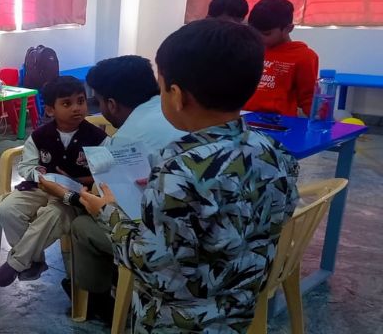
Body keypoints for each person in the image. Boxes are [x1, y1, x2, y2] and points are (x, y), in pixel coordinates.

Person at [77, 19, 300, 332]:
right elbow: (273, 213)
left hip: (177, 322)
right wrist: (165, 193)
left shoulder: (177, 170)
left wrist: (108, 214)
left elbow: (156, 270)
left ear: (177, 95)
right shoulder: (273, 151)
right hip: (238, 310)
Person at [40, 55, 185, 323]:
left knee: (83, 225)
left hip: (166, 246)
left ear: (111, 104)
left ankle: (98, 300)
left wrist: (70, 193)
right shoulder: (176, 112)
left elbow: (112, 203)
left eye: (92, 100)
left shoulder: (126, 140)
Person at [0, 76, 108, 287]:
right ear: (49, 110)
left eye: (81, 101)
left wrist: (74, 180)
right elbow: (26, 167)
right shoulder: (39, 136)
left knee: (53, 214)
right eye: (67, 103)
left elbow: (105, 175)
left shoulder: (97, 138)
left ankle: (18, 263)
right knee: (6, 209)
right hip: (39, 188)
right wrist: (41, 176)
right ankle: (34, 261)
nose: (76, 108)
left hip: (73, 196)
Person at [244, 0, 319, 116]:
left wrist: (319, 120)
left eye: (266, 34)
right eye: (254, 32)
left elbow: (308, 97)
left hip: (278, 121)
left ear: (288, 29)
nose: (259, 38)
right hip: (244, 117)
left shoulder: (304, 57)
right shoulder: (251, 49)